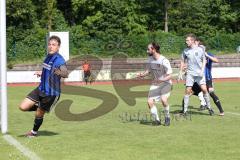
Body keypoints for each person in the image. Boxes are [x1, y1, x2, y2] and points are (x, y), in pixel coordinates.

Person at [19, 35, 68, 137]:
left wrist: (58, 71)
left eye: (54, 45)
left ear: (58, 47)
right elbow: (48, 69)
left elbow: (65, 73)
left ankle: (33, 132)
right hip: (41, 88)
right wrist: (42, 73)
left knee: (39, 114)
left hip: (51, 93)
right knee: (22, 107)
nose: (51, 46)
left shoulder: (59, 59)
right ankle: (40, 107)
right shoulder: (48, 56)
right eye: (49, 44)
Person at [137, 42, 172, 126]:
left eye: (148, 49)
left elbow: (170, 75)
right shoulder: (150, 59)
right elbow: (148, 71)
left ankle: (167, 117)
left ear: (154, 49)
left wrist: (161, 80)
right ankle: (157, 120)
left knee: (164, 100)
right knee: (150, 102)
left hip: (166, 83)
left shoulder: (164, 60)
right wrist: (142, 75)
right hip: (155, 84)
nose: (147, 51)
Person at [179, 34, 214, 115]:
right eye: (186, 40)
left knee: (204, 90)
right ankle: (185, 111)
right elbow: (182, 61)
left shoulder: (200, 49)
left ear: (192, 41)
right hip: (190, 74)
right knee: (187, 91)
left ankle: (209, 108)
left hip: (199, 73)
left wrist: (202, 71)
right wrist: (180, 72)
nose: (186, 41)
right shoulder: (185, 51)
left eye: (187, 40)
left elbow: (204, 60)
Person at [189, 39, 224, 115]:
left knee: (211, 93)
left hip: (207, 78)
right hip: (198, 79)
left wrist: (207, 55)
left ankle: (221, 111)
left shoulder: (208, 54)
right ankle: (183, 110)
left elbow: (216, 60)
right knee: (188, 93)